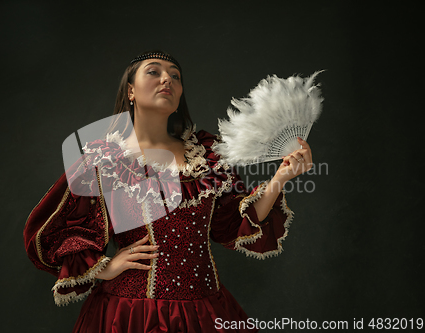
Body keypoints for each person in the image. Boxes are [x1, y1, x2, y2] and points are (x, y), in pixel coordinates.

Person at [23, 50, 313, 332]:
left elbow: (232, 225)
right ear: (130, 91)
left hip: (206, 310)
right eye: (154, 72)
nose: (167, 80)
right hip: (130, 314)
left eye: (175, 76)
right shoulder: (104, 159)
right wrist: (106, 268)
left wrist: (282, 176)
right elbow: (57, 231)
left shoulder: (207, 153)